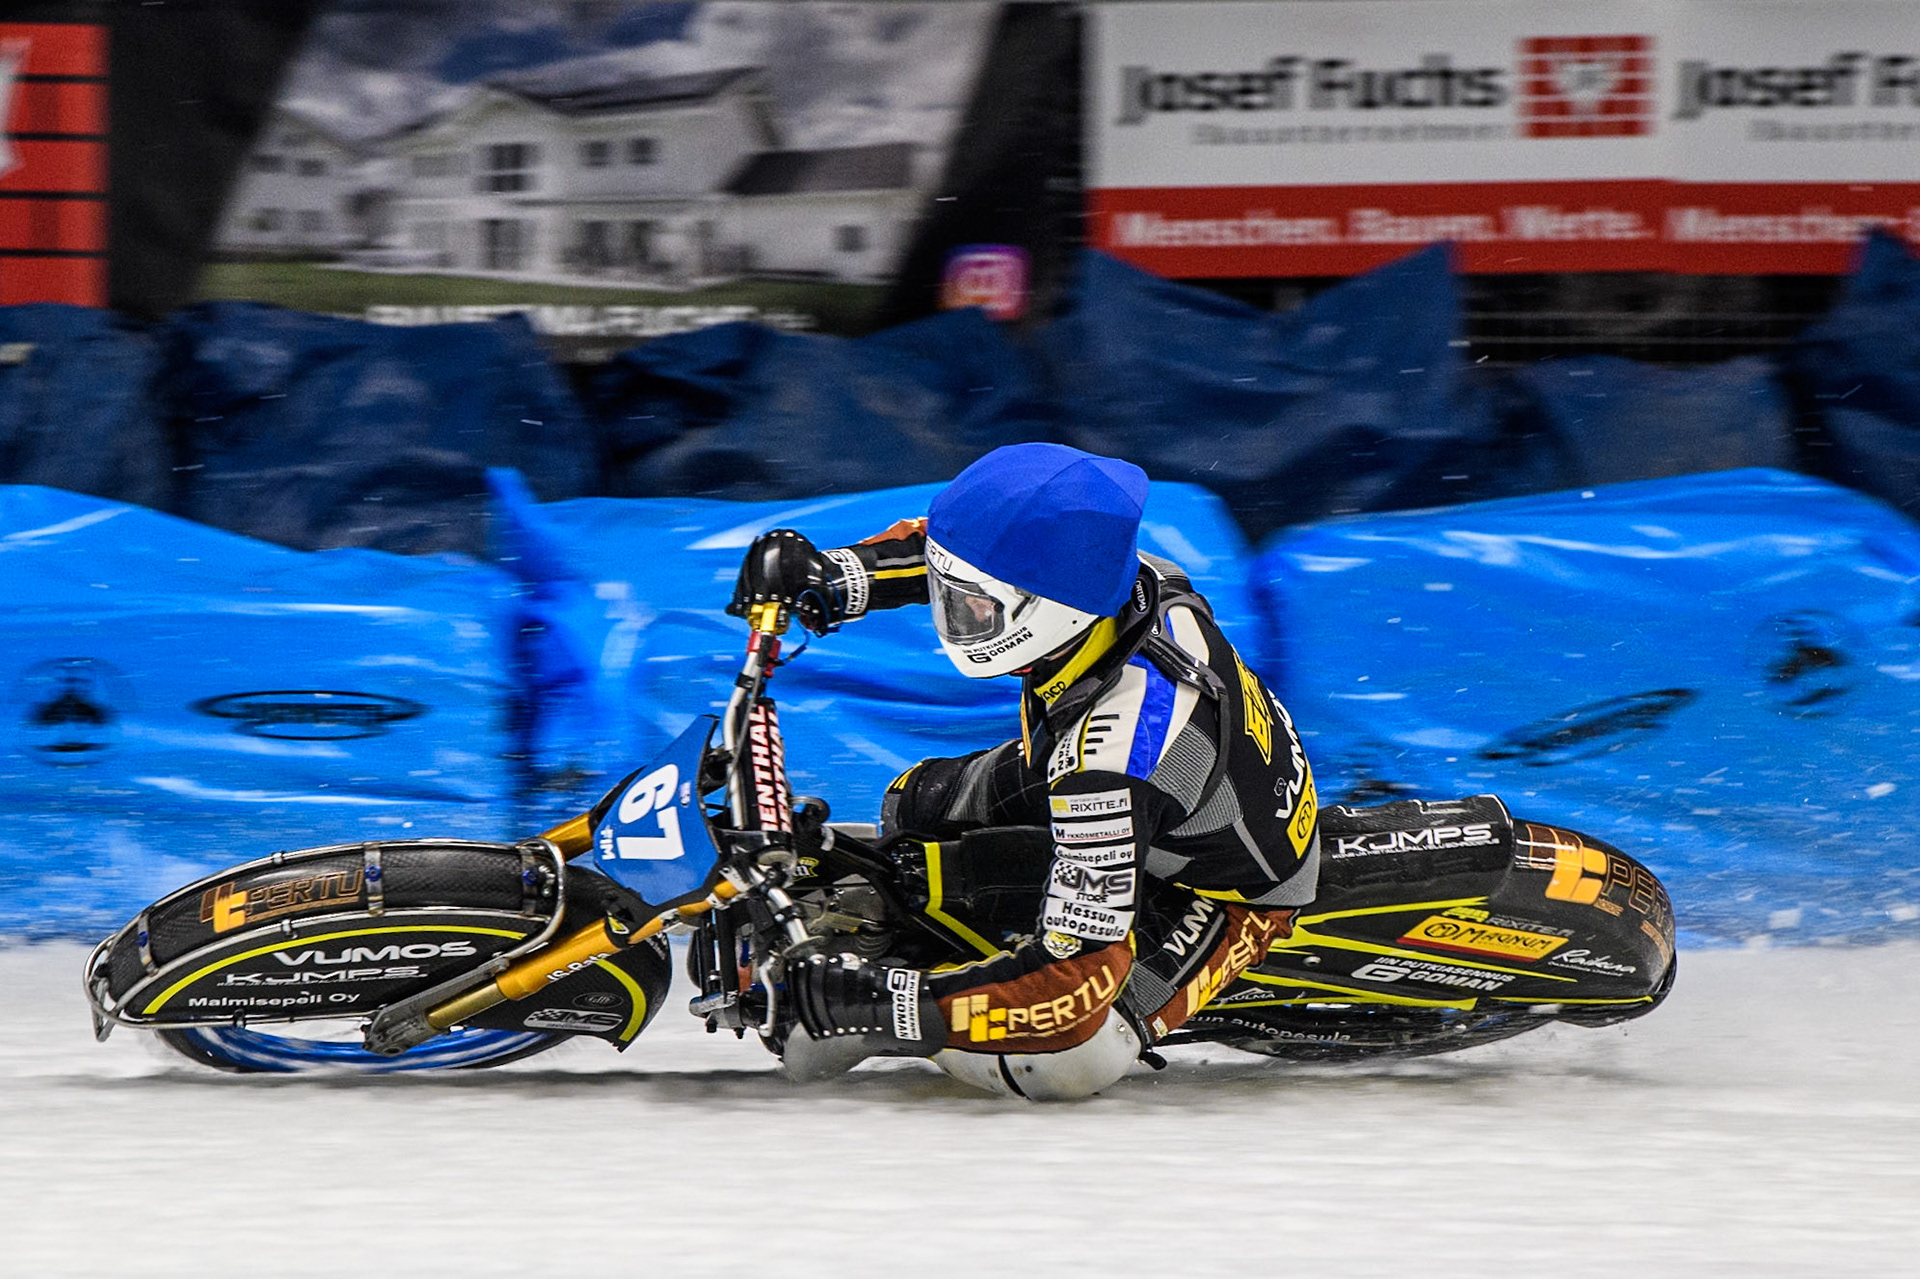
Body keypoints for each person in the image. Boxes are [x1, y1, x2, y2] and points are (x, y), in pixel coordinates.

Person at [728, 443, 1318, 1099]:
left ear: (1049, 612)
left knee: (1073, 1059)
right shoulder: (1120, 574)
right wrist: (835, 575)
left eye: (972, 609)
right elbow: (966, 559)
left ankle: (911, 1004)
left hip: (1229, 889)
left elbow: (1077, 981)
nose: (951, 615)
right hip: (1165, 776)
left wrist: (882, 1004)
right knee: (910, 800)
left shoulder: (1112, 761)